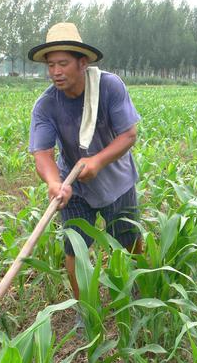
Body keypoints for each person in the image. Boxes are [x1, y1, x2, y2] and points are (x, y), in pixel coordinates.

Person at [27, 23, 143, 299]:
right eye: (51, 65)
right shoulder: (46, 106)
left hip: (117, 180)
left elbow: (129, 134)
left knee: (128, 240)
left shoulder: (109, 87)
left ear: (82, 62)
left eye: (63, 63)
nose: (55, 72)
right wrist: (55, 183)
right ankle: (86, 310)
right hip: (75, 186)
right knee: (75, 248)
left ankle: (138, 291)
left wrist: (98, 162)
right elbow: (41, 152)